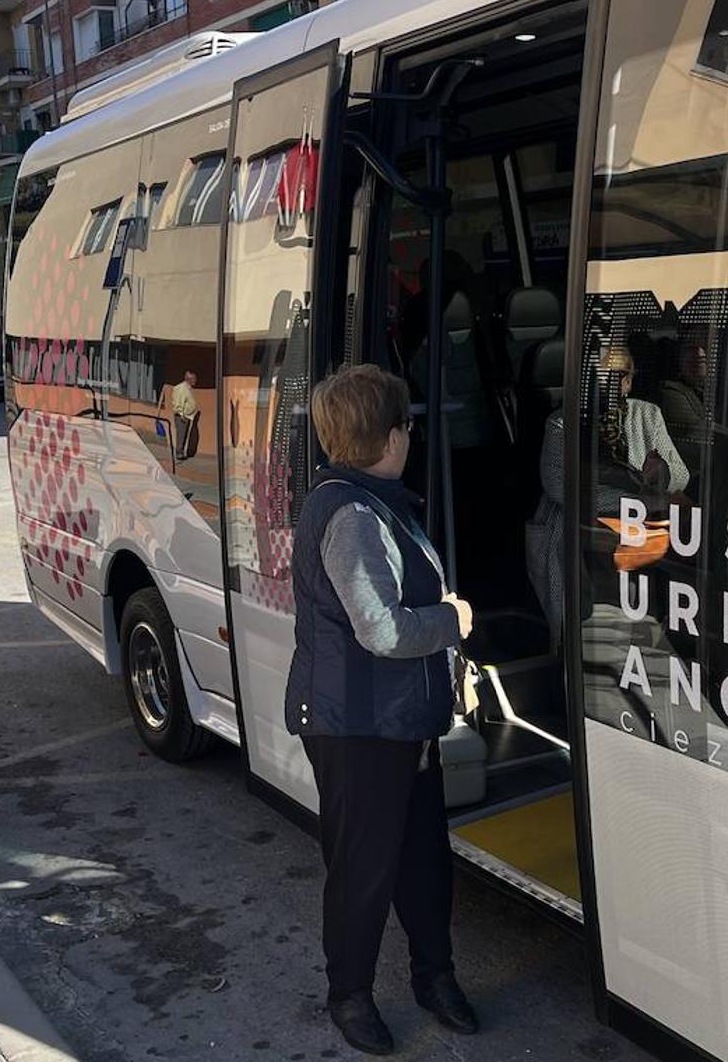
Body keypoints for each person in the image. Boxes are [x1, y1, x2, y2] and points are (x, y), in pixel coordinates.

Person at [285, 364, 479, 1056]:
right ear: (391, 436)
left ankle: (436, 977)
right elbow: (386, 630)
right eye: (406, 426)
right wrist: (452, 620)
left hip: (399, 723)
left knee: (425, 861)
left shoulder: (374, 498)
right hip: (359, 728)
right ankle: (350, 994)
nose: (410, 436)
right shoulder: (353, 517)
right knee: (364, 870)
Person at [527, 340, 690, 643]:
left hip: (638, 534)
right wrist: (634, 499)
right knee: (582, 630)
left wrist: (658, 475)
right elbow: (559, 486)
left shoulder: (647, 415)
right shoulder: (563, 422)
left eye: (618, 376)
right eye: (600, 377)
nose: (610, 385)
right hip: (575, 534)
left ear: (629, 380)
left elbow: (679, 475)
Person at [164, 369, 200, 461]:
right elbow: (177, 403)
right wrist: (181, 414)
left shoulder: (187, 388)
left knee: (184, 435)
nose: (195, 381)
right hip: (182, 416)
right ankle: (179, 453)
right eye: (194, 379)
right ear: (189, 379)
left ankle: (181, 452)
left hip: (187, 416)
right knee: (181, 435)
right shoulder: (181, 388)